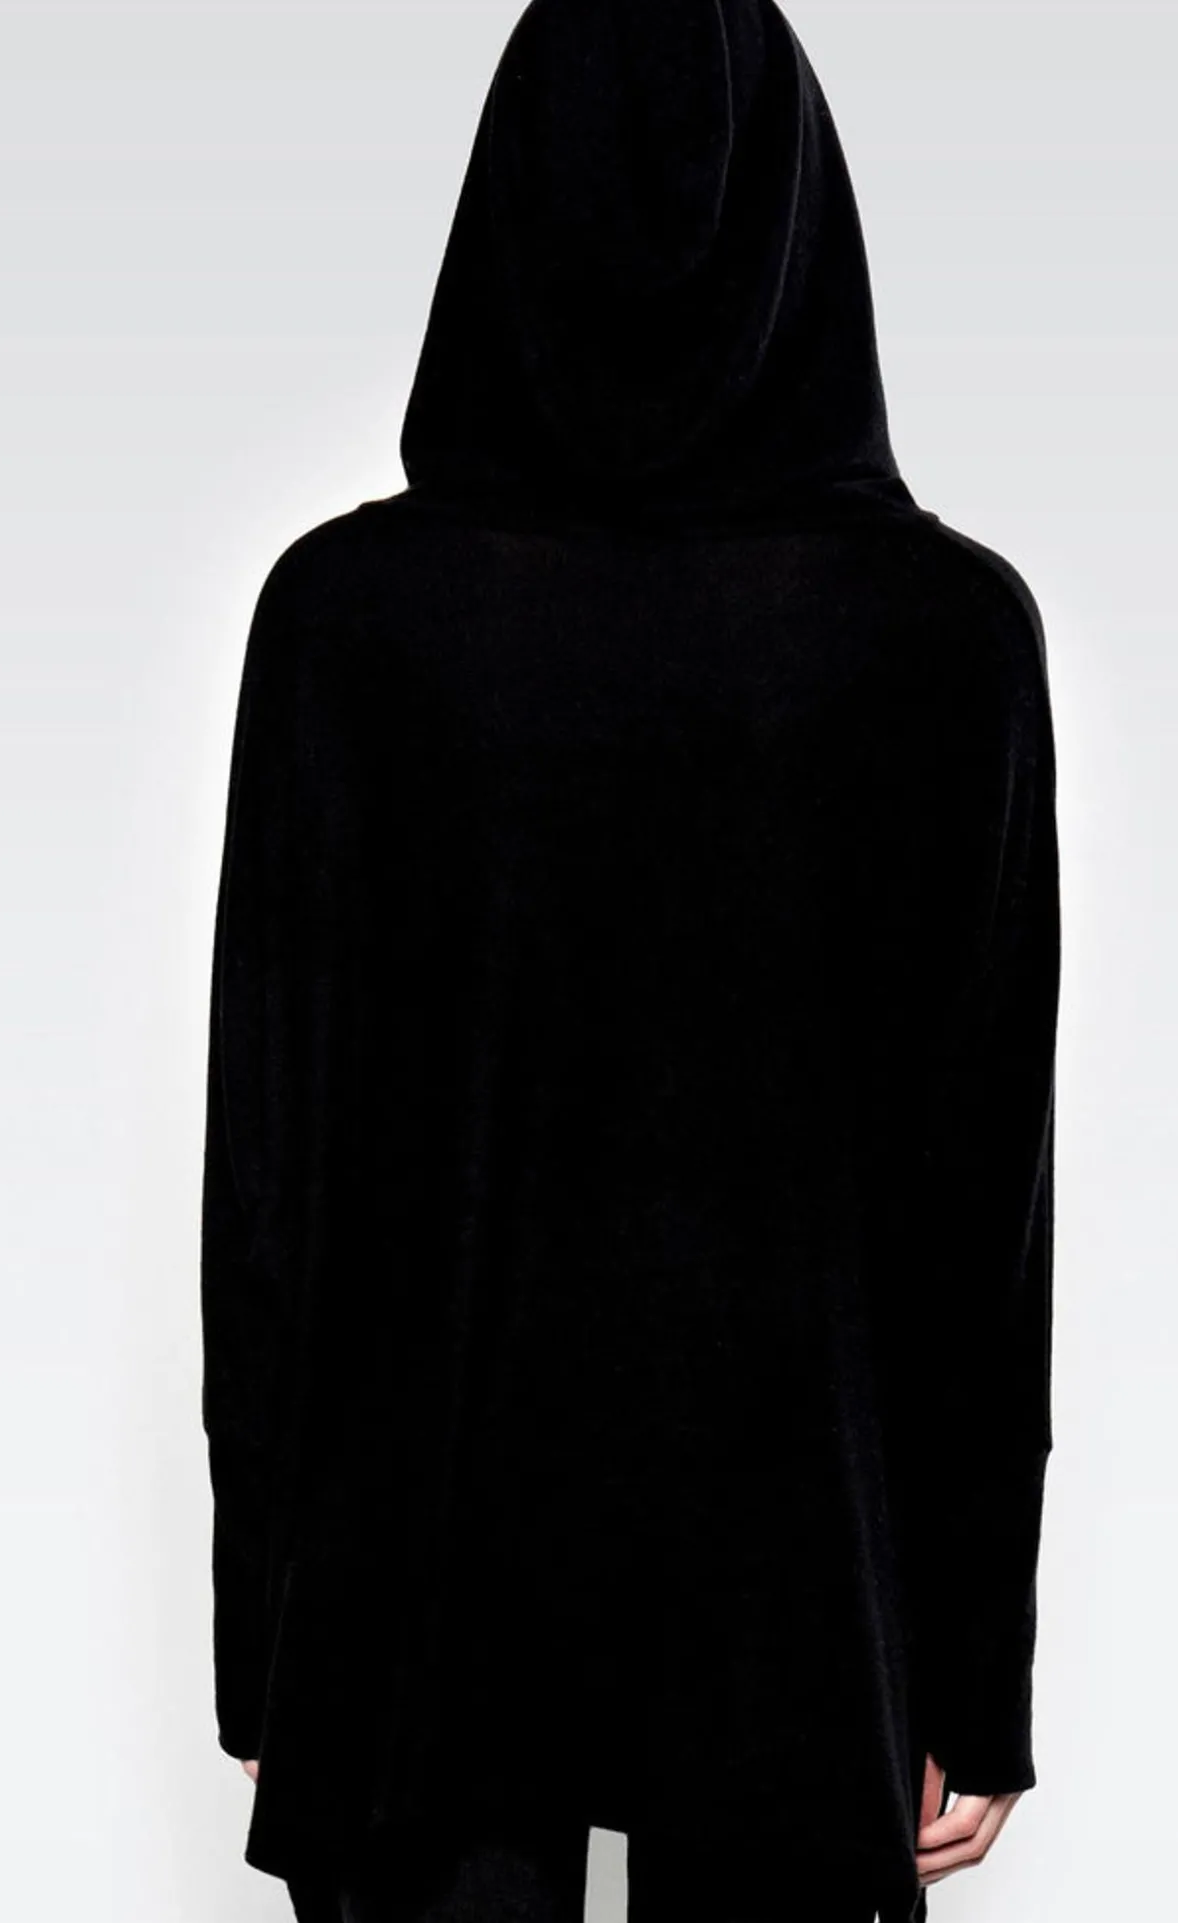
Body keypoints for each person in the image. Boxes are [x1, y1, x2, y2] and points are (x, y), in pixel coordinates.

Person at [197, 2, 1062, 1918]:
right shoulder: (943, 639)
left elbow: (270, 1179)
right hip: (803, 1591)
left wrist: (269, 1629)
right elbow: (976, 1217)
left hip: (411, 1583)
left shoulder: (346, 623)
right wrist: (970, 1666)